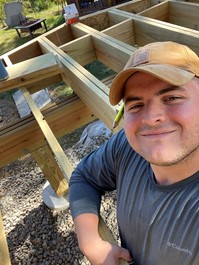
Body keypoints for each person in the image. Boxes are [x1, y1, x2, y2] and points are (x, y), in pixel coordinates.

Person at [69, 41, 199, 265]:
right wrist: (89, 240)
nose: (150, 118)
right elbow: (84, 176)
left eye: (172, 98)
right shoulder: (127, 147)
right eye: (136, 105)